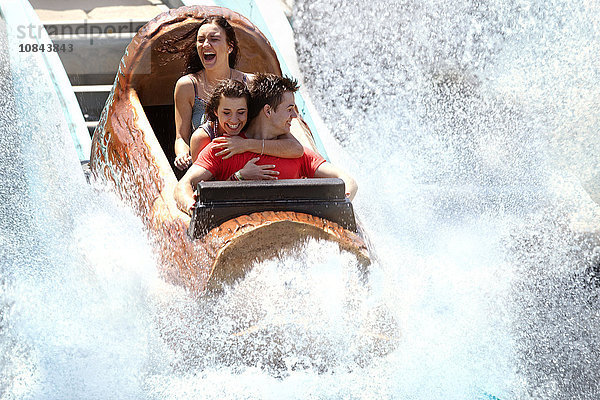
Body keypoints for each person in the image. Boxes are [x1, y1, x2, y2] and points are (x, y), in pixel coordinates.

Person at [174, 73, 358, 215]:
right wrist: (193, 208)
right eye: (289, 109)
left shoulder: (297, 154)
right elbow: (183, 187)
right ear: (268, 111)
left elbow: (348, 181)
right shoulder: (223, 149)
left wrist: (342, 203)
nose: (294, 116)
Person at [173, 16, 249, 171]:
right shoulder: (187, 86)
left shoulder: (249, 83)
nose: (206, 44)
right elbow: (181, 137)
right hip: (205, 169)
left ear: (230, 46)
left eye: (214, 39)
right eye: (201, 40)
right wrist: (182, 154)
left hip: (245, 165)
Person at [191, 79, 303, 164]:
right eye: (226, 113)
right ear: (215, 111)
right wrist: (239, 176)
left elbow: (296, 149)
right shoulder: (202, 137)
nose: (234, 120)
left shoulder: (250, 123)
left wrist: (245, 144)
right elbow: (201, 186)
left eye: (241, 112)